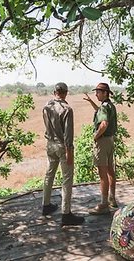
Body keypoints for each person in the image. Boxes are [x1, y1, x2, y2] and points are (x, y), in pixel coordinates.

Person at [42, 82, 84, 226]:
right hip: (62, 146)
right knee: (67, 179)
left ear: (55, 92)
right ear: (66, 93)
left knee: (49, 174)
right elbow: (68, 133)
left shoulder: (46, 107)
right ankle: (66, 214)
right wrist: (69, 151)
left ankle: (46, 205)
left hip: (50, 144)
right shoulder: (67, 109)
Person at [83, 82, 118, 214]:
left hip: (102, 142)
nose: (96, 94)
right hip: (110, 141)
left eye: (98, 92)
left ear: (105, 93)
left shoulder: (104, 107)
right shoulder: (109, 105)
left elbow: (103, 123)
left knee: (102, 174)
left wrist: (95, 136)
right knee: (110, 170)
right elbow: (99, 111)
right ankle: (112, 199)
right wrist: (91, 101)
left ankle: (103, 205)